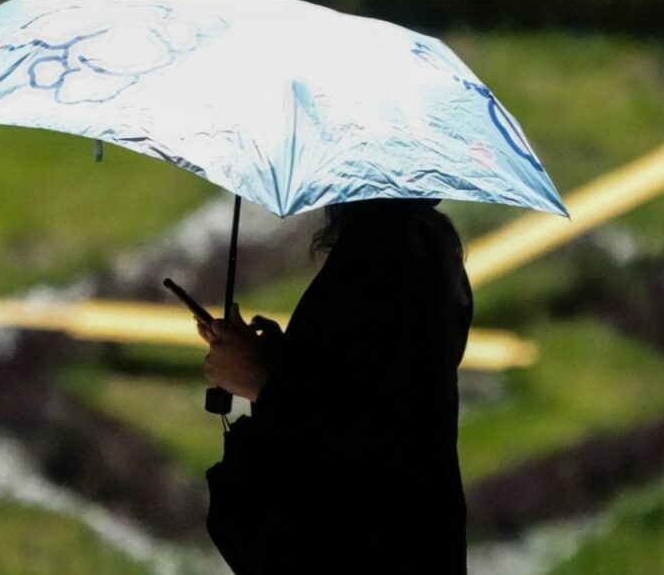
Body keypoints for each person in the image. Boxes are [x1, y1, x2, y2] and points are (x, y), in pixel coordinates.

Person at [196, 196, 473, 574]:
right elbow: (361, 383)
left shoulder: (381, 258)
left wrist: (261, 379)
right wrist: (285, 362)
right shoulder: (422, 247)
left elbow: (352, 439)